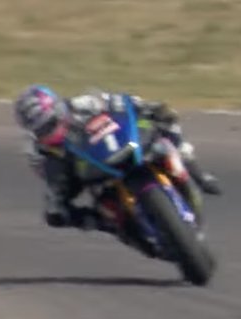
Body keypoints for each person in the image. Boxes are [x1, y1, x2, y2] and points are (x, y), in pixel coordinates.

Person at [12, 85, 221, 252]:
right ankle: (120, 229)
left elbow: (121, 102)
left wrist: (143, 107)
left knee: (165, 120)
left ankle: (198, 173)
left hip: (119, 145)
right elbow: (51, 185)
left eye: (51, 123)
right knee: (68, 214)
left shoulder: (82, 104)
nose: (49, 131)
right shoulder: (37, 150)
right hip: (88, 174)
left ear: (58, 109)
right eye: (42, 129)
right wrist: (59, 204)